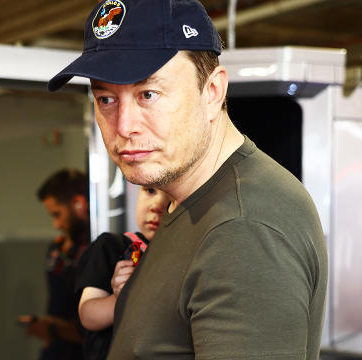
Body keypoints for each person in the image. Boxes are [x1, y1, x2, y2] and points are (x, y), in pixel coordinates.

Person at [48, 0, 328, 359]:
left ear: (212, 92)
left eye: (148, 94)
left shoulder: (244, 228)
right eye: (106, 99)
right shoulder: (185, 200)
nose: (123, 126)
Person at [75, 186, 169, 360]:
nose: (156, 205)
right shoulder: (111, 247)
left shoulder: (180, 256)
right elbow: (88, 315)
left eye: (170, 196)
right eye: (149, 191)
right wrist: (118, 298)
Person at [18, 168, 89, 360]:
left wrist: (53, 329)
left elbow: (94, 329)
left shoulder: (96, 252)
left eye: (57, 215)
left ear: (79, 204)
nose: (56, 225)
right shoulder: (57, 249)